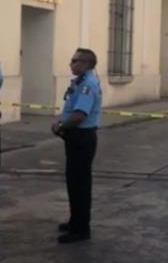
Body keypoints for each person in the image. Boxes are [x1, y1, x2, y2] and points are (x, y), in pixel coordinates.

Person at [51, 48, 102, 244]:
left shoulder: (87, 85)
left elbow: (80, 114)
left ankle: (81, 229)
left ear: (87, 64)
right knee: (74, 182)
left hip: (82, 137)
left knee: (79, 184)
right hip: (76, 137)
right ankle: (75, 221)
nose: (71, 64)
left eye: (76, 61)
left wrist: (61, 125)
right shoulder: (80, 82)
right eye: (72, 60)